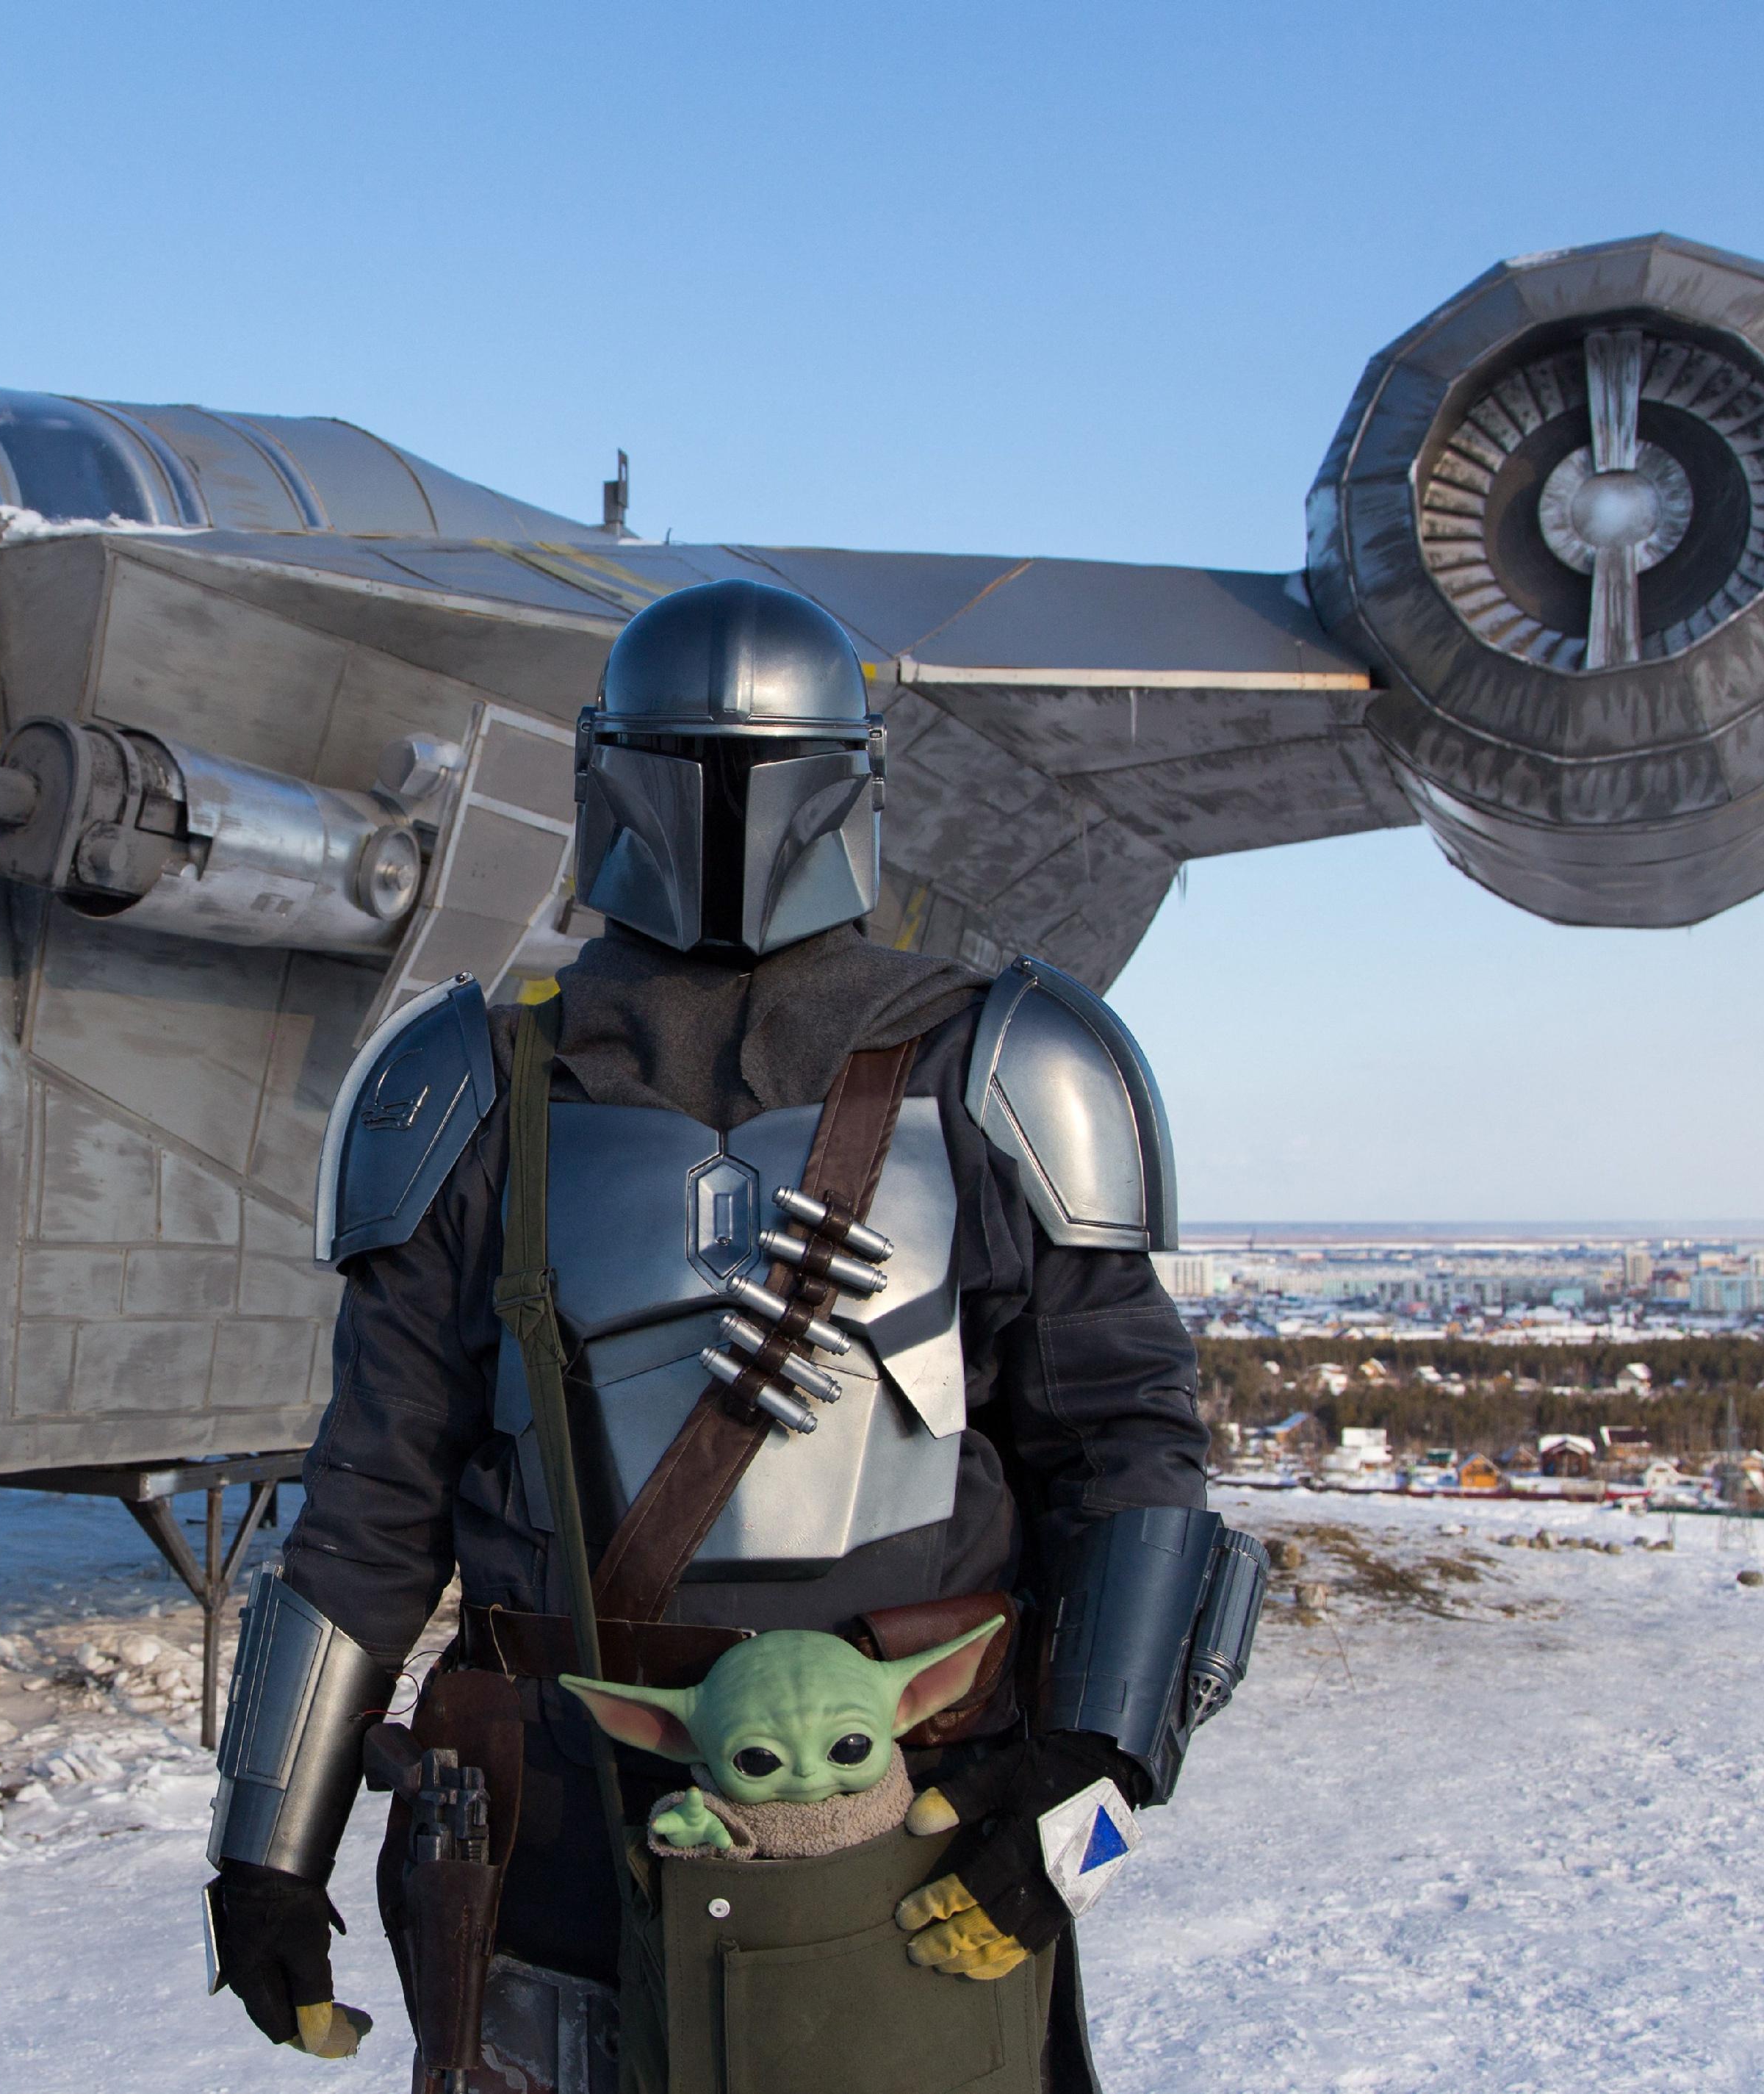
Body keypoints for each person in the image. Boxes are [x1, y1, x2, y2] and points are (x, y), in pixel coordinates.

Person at [204, 578, 1263, 2093]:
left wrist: (1079, 1800)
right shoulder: (472, 1086)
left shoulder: (1000, 1065)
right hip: (562, 1827)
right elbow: (373, 1504)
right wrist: (266, 1854)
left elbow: (1130, 1466)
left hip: (925, 1814)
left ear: (592, 776)